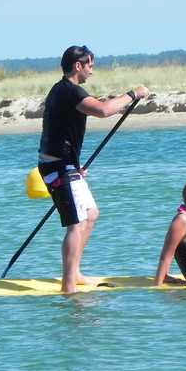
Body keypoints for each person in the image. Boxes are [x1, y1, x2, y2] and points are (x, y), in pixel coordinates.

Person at [38, 45, 149, 294]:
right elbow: (103, 110)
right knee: (76, 224)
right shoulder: (68, 91)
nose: (92, 70)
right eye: (90, 65)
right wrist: (133, 94)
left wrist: (75, 165)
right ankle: (68, 287)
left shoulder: (67, 91)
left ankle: (75, 272)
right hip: (57, 167)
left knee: (91, 213)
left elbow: (91, 113)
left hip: (66, 164)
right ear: (78, 65)